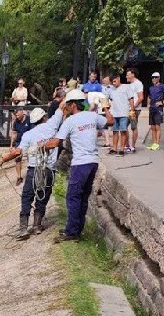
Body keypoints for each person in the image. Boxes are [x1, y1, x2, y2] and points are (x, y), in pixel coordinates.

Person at [44, 89, 114, 242]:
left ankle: (71, 232)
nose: (66, 108)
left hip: (80, 163)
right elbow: (110, 122)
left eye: (67, 105)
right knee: (82, 197)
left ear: (73, 104)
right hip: (93, 162)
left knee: (73, 197)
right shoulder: (93, 116)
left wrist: (40, 147)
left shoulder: (70, 121)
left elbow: (56, 142)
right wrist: (106, 107)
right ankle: (76, 229)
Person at [0, 108, 63, 239]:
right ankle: (37, 225)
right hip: (49, 169)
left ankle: (23, 229)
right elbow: (61, 109)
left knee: (27, 197)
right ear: (44, 117)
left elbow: (17, 152)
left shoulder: (28, 134)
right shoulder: (53, 126)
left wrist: (3, 159)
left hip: (34, 170)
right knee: (43, 197)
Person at [108, 74, 134, 157]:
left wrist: (132, 110)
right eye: (112, 82)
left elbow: (131, 99)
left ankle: (122, 149)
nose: (113, 83)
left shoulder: (126, 87)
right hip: (114, 113)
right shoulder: (110, 89)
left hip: (124, 113)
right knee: (115, 131)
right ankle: (114, 148)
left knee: (123, 131)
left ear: (118, 78)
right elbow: (108, 100)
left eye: (115, 81)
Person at [148, 72, 164, 150]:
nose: (154, 79)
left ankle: (157, 144)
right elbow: (149, 97)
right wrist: (148, 104)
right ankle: (154, 143)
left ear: (159, 78)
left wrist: (162, 102)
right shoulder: (151, 88)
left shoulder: (162, 86)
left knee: (157, 126)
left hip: (158, 109)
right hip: (151, 108)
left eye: (155, 77)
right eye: (152, 77)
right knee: (152, 127)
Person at [10, 108, 32, 185]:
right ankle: (19, 177)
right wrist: (12, 145)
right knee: (17, 159)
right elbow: (14, 133)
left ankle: (32, 174)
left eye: (18, 115)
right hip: (19, 142)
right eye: (16, 115)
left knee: (31, 157)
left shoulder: (29, 120)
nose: (17, 117)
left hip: (29, 141)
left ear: (22, 113)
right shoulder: (16, 122)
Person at [125, 68, 144, 152]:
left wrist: (133, 108)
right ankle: (127, 145)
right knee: (124, 126)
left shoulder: (138, 84)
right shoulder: (130, 84)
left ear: (133, 74)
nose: (126, 76)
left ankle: (133, 146)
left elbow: (141, 98)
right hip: (128, 109)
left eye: (128, 74)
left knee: (133, 127)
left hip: (134, 110)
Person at [100, 75, 113, 150]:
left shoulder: (112, 88)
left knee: (106, 125)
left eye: (106, 78)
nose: (105, 80)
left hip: (109, 108)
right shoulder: (99, 87)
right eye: (104, 79)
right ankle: (107, 142)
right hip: (100, 107)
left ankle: (108, 142)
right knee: (102, 126)